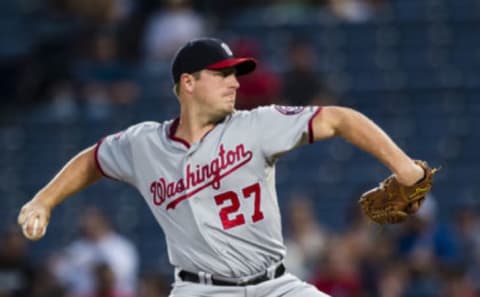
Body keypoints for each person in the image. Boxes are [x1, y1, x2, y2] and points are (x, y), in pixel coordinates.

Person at [18, 37, 426, 297]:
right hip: (200, 291)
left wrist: (405, 168)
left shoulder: (257, 125)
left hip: (275, 286)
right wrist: (44, 200)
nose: (235, 82)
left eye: (235, 74)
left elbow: (340, 119)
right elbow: (93, 158)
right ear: (188, 84)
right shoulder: (143, 144)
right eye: (222, 75)